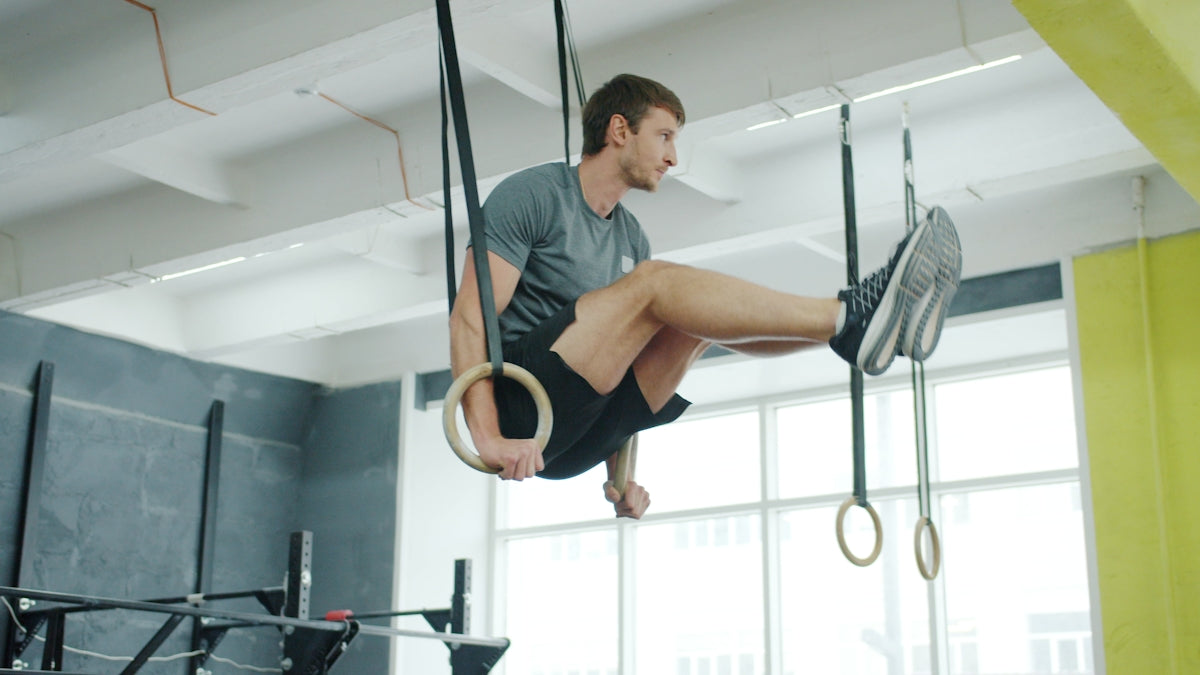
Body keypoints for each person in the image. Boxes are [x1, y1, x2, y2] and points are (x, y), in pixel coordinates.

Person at [449, 74, 959, 519]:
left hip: (580, 433)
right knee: (657, 285)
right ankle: (851, 315)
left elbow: (624, 357)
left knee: (688, 320)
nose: (673, 156)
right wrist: (488, 438)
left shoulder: (630, 237)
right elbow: (470, 319)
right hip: (522, 407)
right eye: (664, 136)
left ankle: (851, 332)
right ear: (619, 129)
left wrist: (621, 477)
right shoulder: (534, 196)